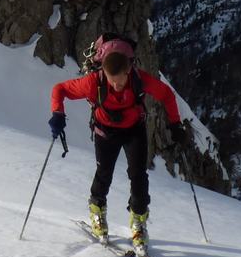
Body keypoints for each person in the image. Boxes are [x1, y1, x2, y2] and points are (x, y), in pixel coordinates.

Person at [48, 35, 189, 245]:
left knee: (138, 176)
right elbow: (59, 89)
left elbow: (167, 94)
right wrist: (57, 113)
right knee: (104, 173)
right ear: (103, 71)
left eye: (120, 80)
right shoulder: (93, 82)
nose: (116, 85)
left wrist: (175, 123)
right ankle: (97, 211)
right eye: (111, 80)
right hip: (105, 131)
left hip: (134, 129)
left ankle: (139, 222)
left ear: (128, 70)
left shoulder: (138, 79)